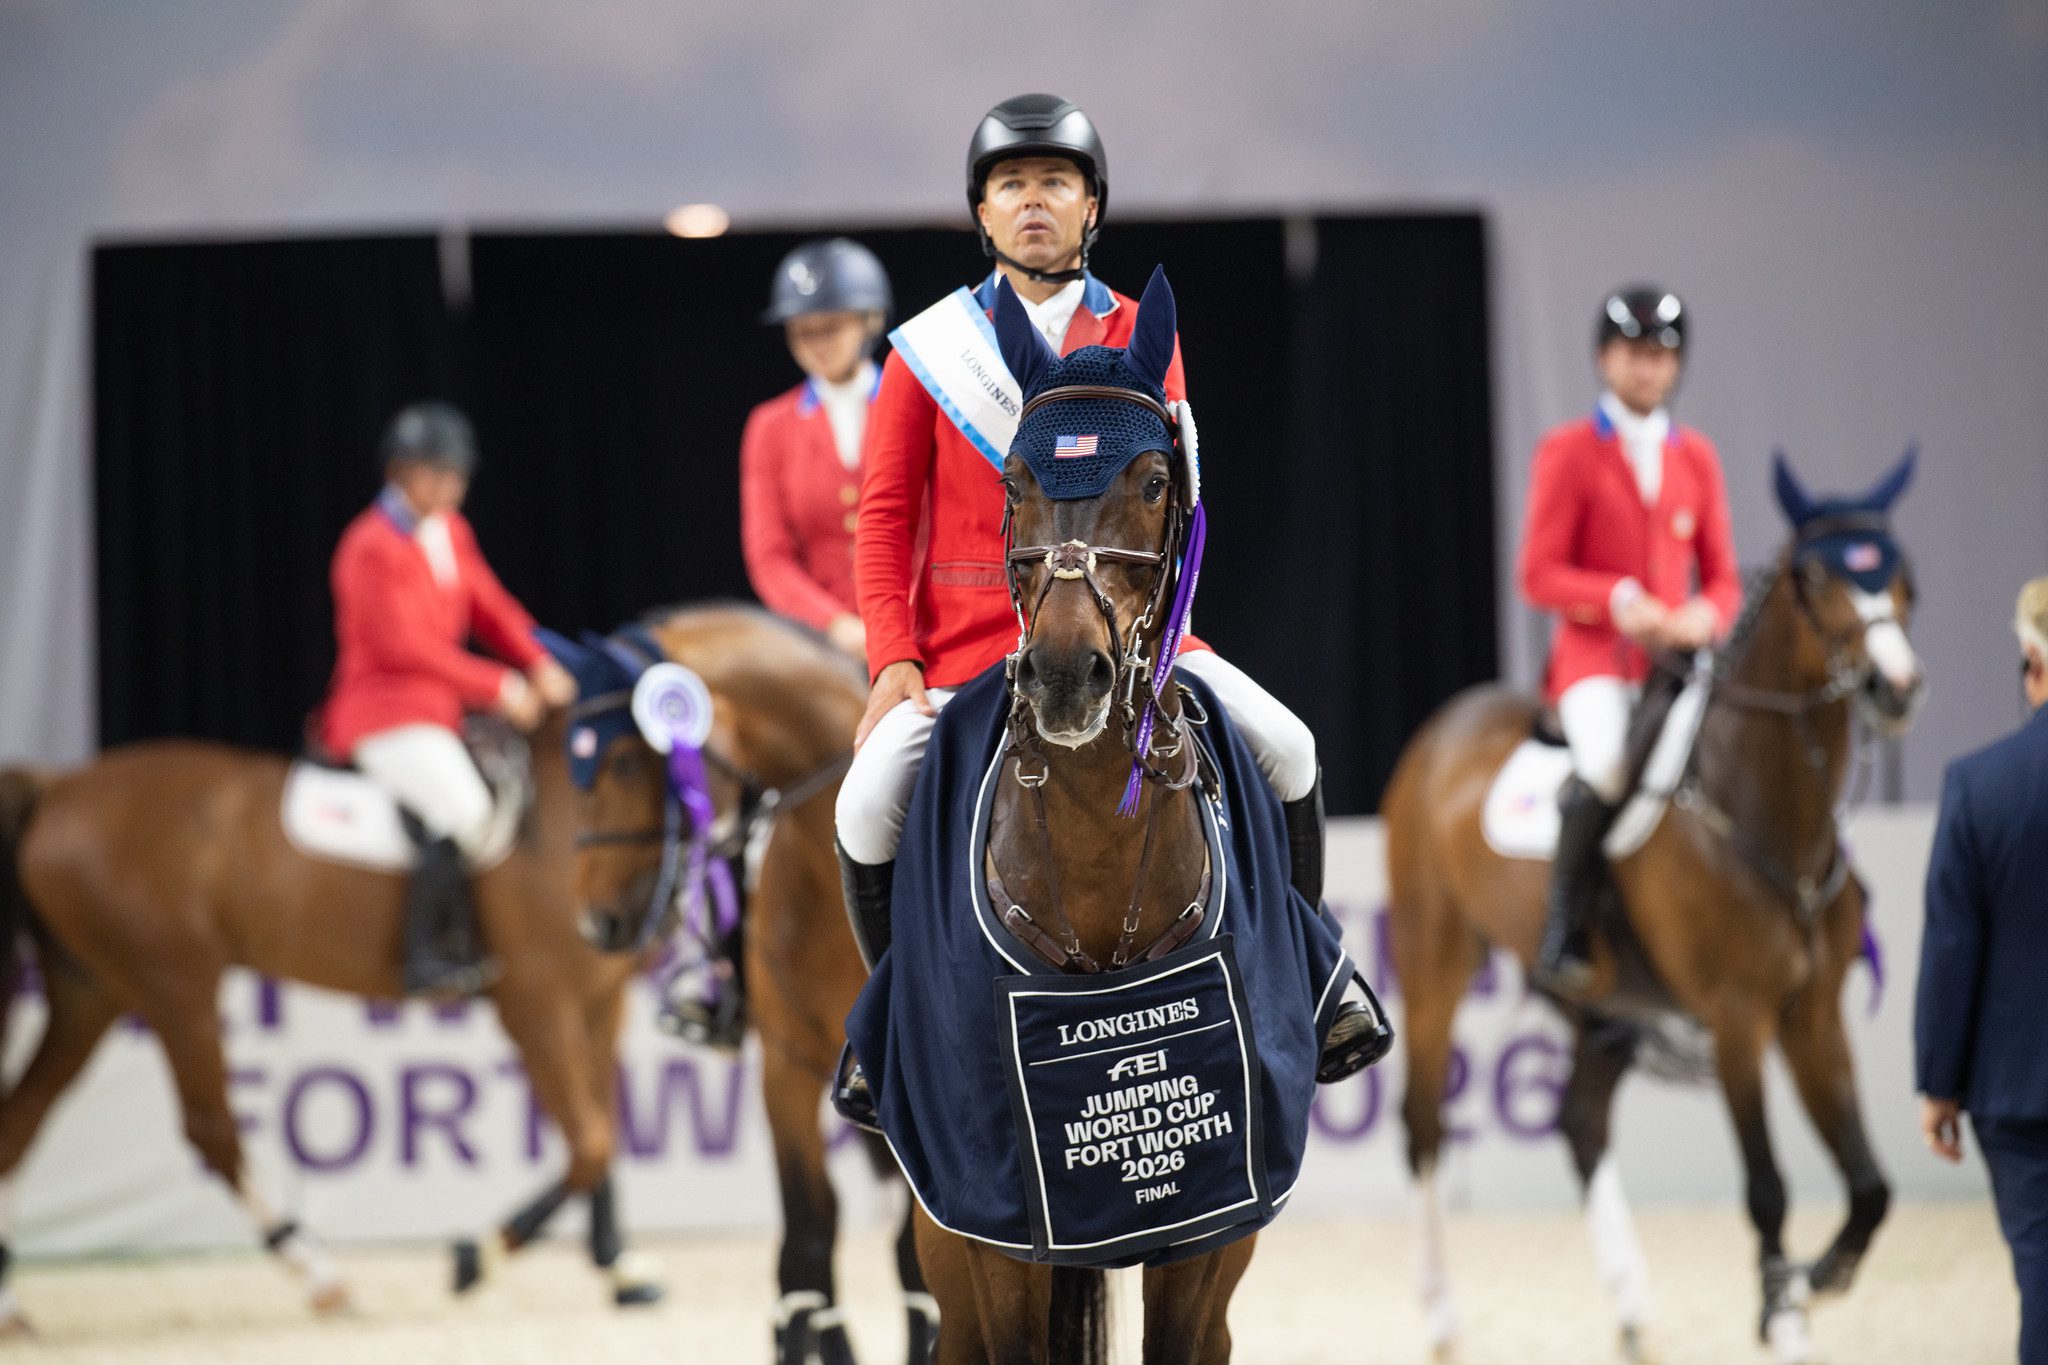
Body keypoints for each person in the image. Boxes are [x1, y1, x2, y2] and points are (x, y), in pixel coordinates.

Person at [839, 93, 1351, 1051]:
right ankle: (896, 1026)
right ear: (982, 213)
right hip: (968, 649)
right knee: (863, 805)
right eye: (1012, 185)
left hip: (1135, 641)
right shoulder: (928, 353)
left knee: (1291, 750)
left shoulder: (1141, 335)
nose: (1034, 201)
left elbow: (1181, 506)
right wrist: (893, 661)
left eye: (1056, 182)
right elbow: (883, 518)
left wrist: (1165, 633)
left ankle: (1311, 978)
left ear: (1092, 207)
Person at [1517, 285, 1741, 989]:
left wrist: (1706, 615)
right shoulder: (1570, 450)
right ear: (1605, 359)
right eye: (1634, 354)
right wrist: (1616, 600)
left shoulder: (1696, 457)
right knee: (1611, 765)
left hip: (1679, 660)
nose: (1647, 368)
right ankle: (1564, 923)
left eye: (1660, 356)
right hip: (1596, 661)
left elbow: (1726, 577)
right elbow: (1538, 573)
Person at [321, 401, 575, 996]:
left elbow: (490, 605)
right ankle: (427, 953)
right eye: (434, 472)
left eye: (455, 472)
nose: (449, 484)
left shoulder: (450, 532)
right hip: (382, 712)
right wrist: (500, 686)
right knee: (462, 810)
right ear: (399, 475)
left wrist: (540, 660)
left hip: (437, 710)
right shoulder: (369, 546)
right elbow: (402, 647)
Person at [1916, 575, 2048, 1363]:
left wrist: (1939, 1082)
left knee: (2043, 1283)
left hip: (2020, 1090)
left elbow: (1952, 947)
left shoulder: (1977, 784)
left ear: (2034, 659)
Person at [741, 237, 893, 662]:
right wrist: (835, 624)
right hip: (821, 645)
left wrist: (892, 625)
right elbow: (769, 559)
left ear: (869, 321)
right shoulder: (769, 426)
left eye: (830, 327)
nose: (816, 344)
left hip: (912, 629)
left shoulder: (915, 406)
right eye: (801, 332)